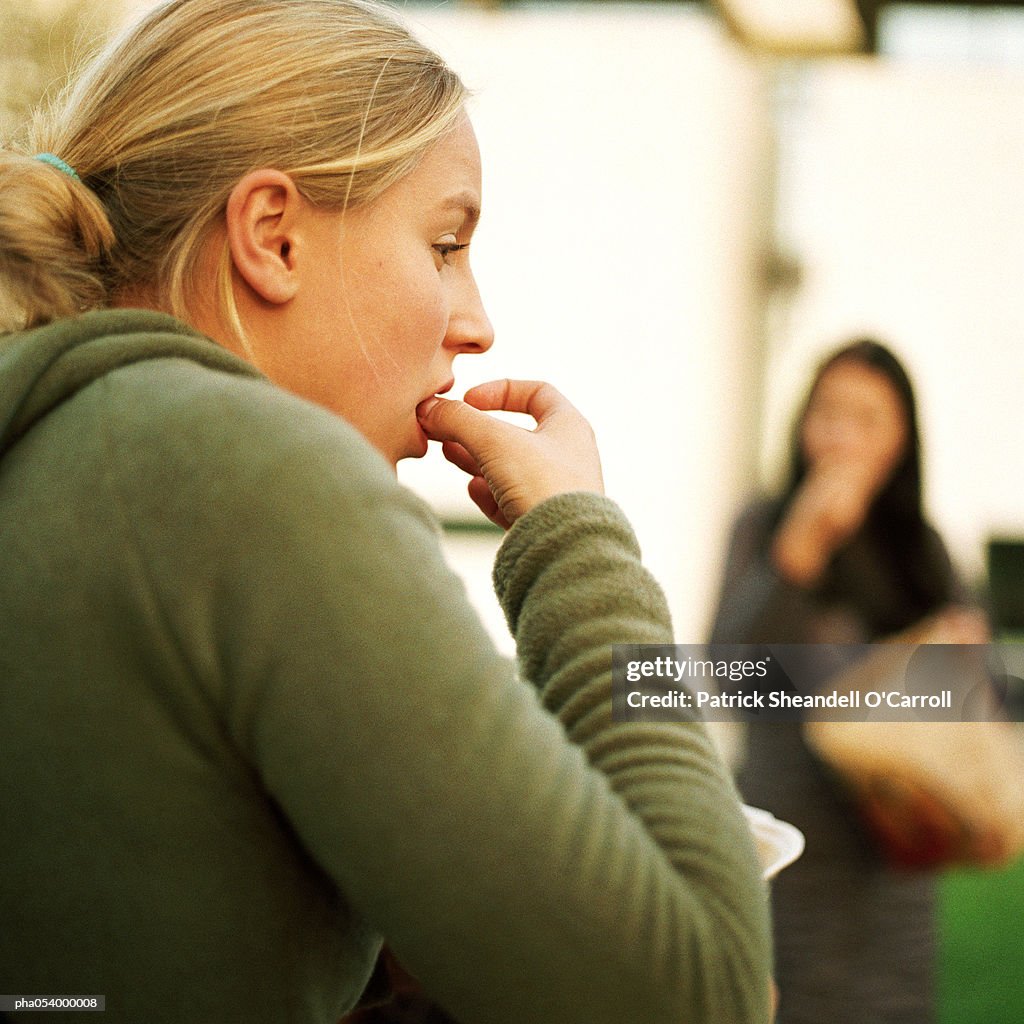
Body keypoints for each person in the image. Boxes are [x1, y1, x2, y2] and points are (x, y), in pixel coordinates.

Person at [0, 1, 772, 1022]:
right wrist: (576, 535)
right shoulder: (252, 475)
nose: (477, 321)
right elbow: (698, 993)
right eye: (446, 243)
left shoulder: (54, 442)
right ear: (272, 237)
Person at [709, 339, 986, 1024]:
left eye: (868, 419)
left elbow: (960, 705)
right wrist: (796, 555)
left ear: (901, 439)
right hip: (789, 852)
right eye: (828, 411)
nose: (842, 435)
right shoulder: (763, 525)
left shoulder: (922, 548)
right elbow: (727, 674)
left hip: (893, 857)